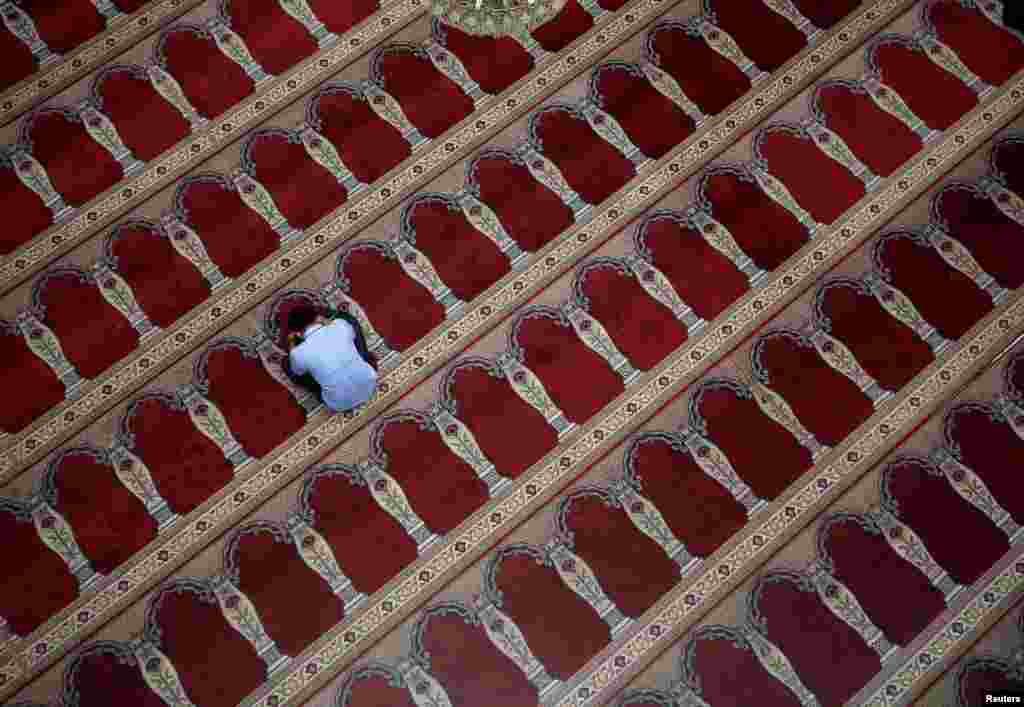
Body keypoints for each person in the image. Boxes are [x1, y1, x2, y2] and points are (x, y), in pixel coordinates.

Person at [285, 306, 378, 413]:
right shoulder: (339, 324)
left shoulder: (297, 353)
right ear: (318, 317)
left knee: (288, 364)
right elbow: (352, 335)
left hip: (339, 403)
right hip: (370, 382)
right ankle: (367, 358)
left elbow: (297, 372)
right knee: (349, 321)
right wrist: (326, 322)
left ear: (297, 333)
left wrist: (292, 344)